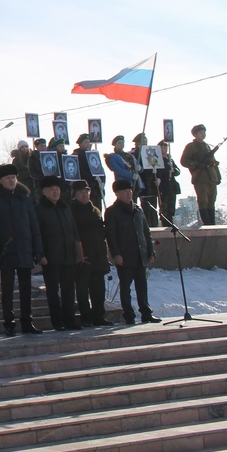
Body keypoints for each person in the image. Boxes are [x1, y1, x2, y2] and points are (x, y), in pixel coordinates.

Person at [0, 164, 43, 337]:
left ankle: (27, 322)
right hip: (6, 251)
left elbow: (33, 226)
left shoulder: (24, 199)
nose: (11, 180)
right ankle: (9, 323)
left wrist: (37, 251)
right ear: (0, 181)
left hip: (25, 250)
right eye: (8, 178)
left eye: (13, 177)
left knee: (26, 289)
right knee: (7, 290)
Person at [105, 179, 160, 324]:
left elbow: (145, 232)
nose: (129, 193)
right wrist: (116, 254)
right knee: (125, 287)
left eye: (130, 191)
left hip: (140, 254)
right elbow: (111, 235)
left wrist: (150, 251)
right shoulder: (112, 212)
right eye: (125, 191)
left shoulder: (138, 210)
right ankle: (129, 315)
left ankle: (146, 313)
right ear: (117, 194)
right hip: (125, 255)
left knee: (142, 286)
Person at [34, 175, 82, 330]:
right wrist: (40, 255)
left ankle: (70, 320)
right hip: (51, 257)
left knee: (69, 290)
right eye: (52, 189)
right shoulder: (39, 209)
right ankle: (57, 321)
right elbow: (37, 234)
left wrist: (78, 252)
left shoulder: (65, 207)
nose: (55, 192)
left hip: (68, 256)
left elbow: (74, 230)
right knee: (53, 292)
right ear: (44, 191)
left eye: (57, 189)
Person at [69, 181, 112, 327]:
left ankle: (99, 316)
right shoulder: (71, 211)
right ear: (74, 195)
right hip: (83, 257)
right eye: (81, 192)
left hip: (98, 257)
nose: (85, 195)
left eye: (87, 192)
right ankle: (86, 317)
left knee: (98, 290)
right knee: (82, 291)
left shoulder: (94, 210)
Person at [181, 124, 222, 226]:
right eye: (200, 132)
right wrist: (196, 165)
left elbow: (213, 162)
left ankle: (212, 223)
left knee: (211, 200)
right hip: (201, 178)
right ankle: (207, 223)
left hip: (211, 178)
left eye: (204, 132)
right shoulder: (191, 146)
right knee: (203, 200)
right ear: (195, 134)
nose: (203, 134)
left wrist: (218, 176)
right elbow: (184, 161)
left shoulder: (207, 146)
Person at [130, 133, 159, 227]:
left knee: (153, 209)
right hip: (142, 184)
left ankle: (154, 226)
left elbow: (157, 164)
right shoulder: (134, 154)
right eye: (143, 141)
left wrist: (157, 174)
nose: (145, 143)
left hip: (152, 184)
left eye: (146, 141)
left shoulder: (151, 152)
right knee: (145, 209)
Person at [72, 133, 103, 210]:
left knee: (98, 208)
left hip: (96, 186)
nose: (88, 144)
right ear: (80, 144)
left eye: (89, 142)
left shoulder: (93, 154)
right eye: (85, 142)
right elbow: (80, 170)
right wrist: (93, 177)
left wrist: (102, 181)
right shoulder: (77, 155)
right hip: (86, 184)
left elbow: (100, 169)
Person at [156, 141, 182, 227]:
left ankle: (170, 223)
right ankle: (165, 224)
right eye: (163, 148)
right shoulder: (158, 159)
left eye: (166, 148)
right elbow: (159, 172)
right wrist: (167, 168)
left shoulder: (169, 159)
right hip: (164, 186)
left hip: (171, 186)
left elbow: (177, 171)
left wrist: (174, 170)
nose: (165, 149)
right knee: (164, 208)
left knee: (171, 208)